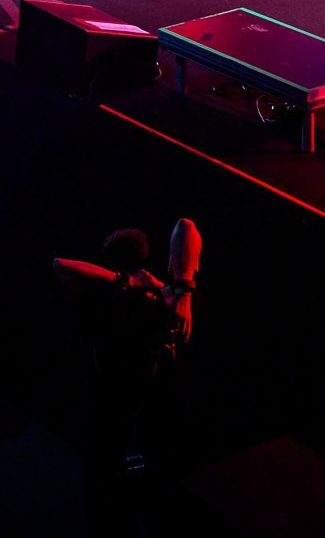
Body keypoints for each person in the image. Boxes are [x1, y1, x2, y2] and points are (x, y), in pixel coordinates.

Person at [53, 220, 203, 535]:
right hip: (124, 422)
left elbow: (185, 227)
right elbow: (61, 265)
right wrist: (127, 283)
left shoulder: (167, 298)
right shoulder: (110, 301)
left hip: (139, 423)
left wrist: (183, 290)